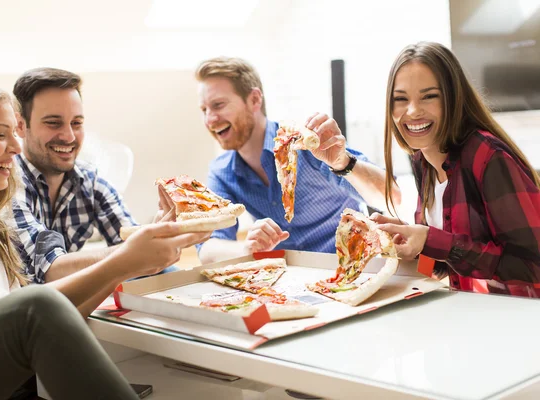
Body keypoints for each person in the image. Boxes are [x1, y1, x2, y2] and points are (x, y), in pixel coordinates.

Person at [0, 76, 209, 398]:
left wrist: (143, 253)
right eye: (0, 135)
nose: (14, 147)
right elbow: (14, 319)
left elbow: (48, 321)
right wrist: (124, 260)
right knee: (33, 302)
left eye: (13, 133)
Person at [373, 41, 540, 298]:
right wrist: (410, 241)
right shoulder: (423, 161)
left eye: (429, 96)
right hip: (472, 316)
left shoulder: (488, 157)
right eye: (400, 99)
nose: (413, 111)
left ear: (452, 98)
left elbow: (532, 266)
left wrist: (432, 240)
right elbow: (446, 266)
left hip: (520, 322)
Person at [195, 57, 401, 264]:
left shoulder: (306, 144)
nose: (210, 120)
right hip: (289, 283)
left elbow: (391, 197)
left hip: (351, 268)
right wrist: (247, 248)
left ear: (255, 100)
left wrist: (343, 163)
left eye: (218, 105)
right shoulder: (222, 172)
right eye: (204, 110)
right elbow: (208, 248)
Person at [10, 67, 177, 283]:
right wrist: (135, 252)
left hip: (68, 302)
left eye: (76, 123)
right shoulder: (6, 184)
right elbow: (48, 270)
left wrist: (156, 235)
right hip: (24, 310)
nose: (69, 136)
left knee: (167, 275)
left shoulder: (90, 181)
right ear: (21, 126)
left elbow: (132, 242)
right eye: (53, 123)